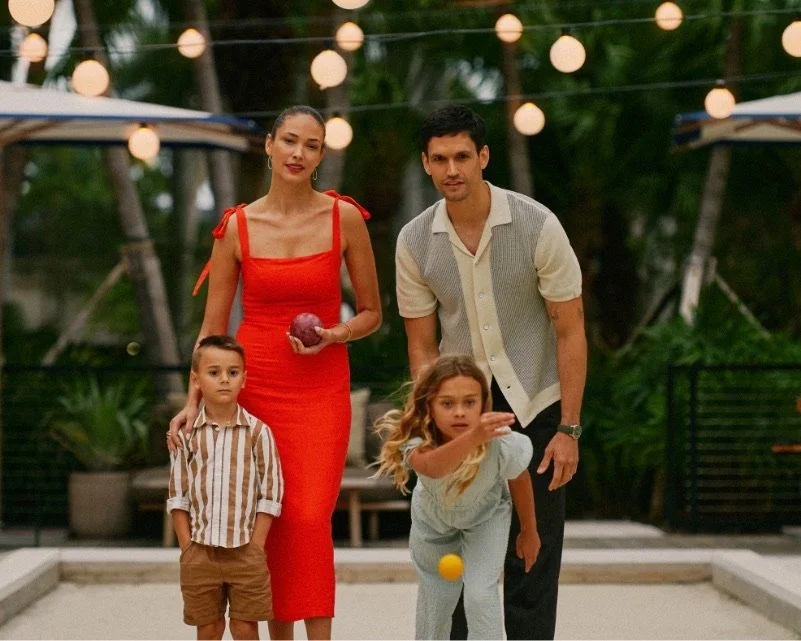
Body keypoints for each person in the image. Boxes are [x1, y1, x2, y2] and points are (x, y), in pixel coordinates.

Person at [169, 105, 382, 641]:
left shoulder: (344, 218)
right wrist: (194, 400)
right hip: (255, 391)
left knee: (309, 517)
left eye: (312, 146)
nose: (298, 153)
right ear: (269, 145)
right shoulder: (236, 227)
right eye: (290, 141)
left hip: (321, 391)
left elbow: (374, 313)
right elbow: (212, 328)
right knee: (270, 521)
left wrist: (335, 335)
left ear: (321, 156)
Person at [395, 105, 587, 640]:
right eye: (439, 159)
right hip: (458, 411)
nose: (451, 169)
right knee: (457, 561)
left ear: (483, 157)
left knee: (533, 556)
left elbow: (570, 330)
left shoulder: (536, 224)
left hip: (538, 403)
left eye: (462, 156)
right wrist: (431, 426)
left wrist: (569, 428)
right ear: (426, 164)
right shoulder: (413, 241)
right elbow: (421, 345)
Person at [373, 354, 540, 640]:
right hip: (434, 526)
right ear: (430, 407)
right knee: (436, 602)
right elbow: (433, 468)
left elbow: (519, 478)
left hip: (486, 519)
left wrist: (529, 530)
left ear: (483, 404)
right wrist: (473, 437)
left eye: (469, 402)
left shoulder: (499, 442)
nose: (460, 412)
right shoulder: (418, 443)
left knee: (479, 594)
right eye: (447, 404)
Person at [167, 335, 284, 641]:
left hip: (246, 550)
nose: (224, 380)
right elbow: (177, 495)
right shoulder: (187, 435)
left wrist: (256, 547)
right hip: (200, 551)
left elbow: (270, 494)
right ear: (196, 379)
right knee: (209, 628)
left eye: (233, 373)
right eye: (214, 372)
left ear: (244, 379)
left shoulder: (259, 432)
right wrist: (187, 548)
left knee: (245, 628)